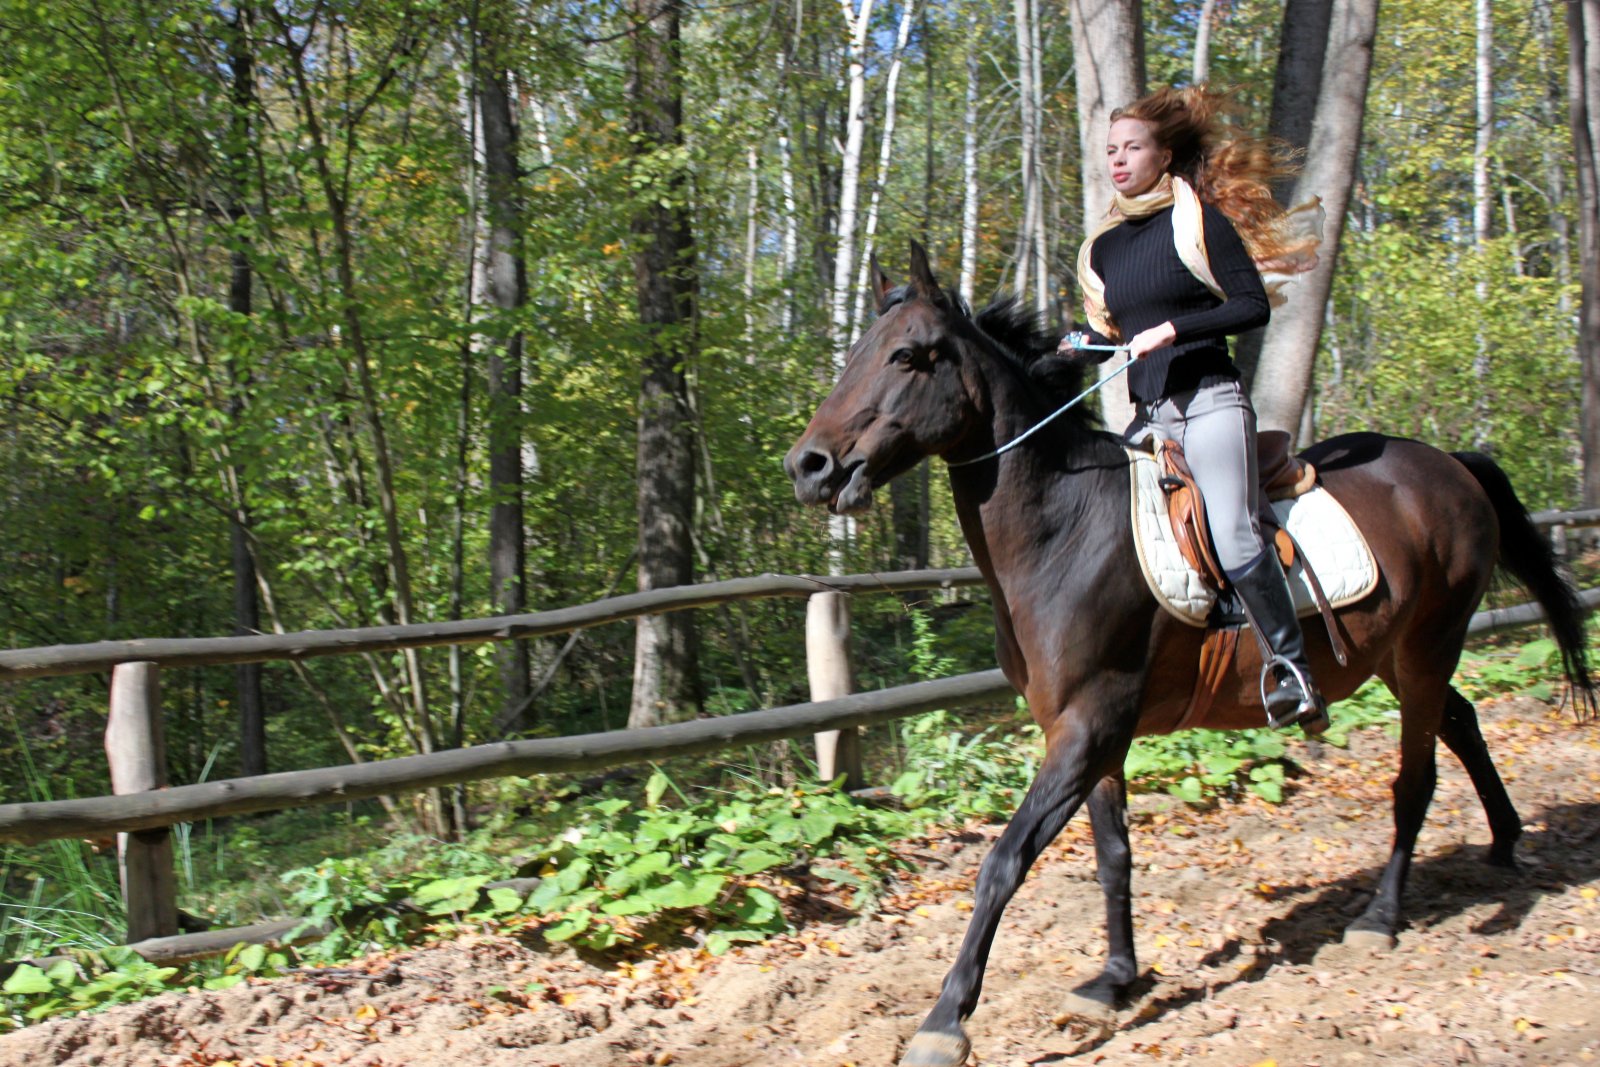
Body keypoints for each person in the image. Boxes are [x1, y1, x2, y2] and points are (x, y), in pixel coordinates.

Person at [1065, 86, 1327, 732]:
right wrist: (1079, 346)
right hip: (1149, 418)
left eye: (1132, 148)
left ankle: (1291, 669)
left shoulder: (1199, 222)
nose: (1118, 159)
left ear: (1163, 156)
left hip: (1210, 404)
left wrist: (1175, 330)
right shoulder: (1103, 249)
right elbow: (1113, 334)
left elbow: (1252, 306)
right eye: (1111, 149)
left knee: (1232, 531)